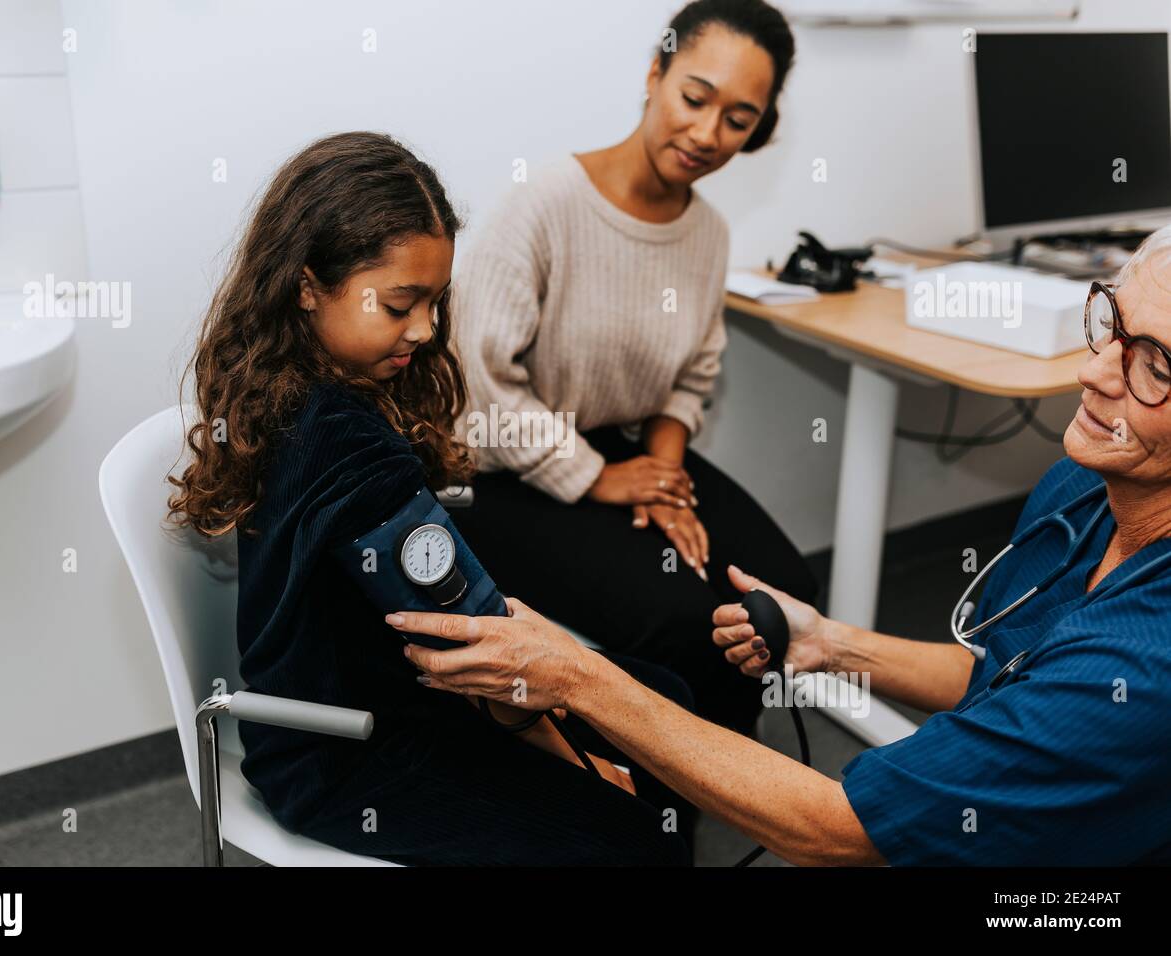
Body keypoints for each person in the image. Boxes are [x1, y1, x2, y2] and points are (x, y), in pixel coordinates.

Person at [395, 225, 1171, 865]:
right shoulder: (1084, 486)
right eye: (1111, 324)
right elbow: (1003, 667)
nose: (1094, 373)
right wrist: (833, 644)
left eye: (1155, 368)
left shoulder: (1141, 666)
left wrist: (574, 677)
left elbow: (837, 828)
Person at [167, 131, 704, 865]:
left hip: (382, 698)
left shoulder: (286, 389)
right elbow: (474, 653)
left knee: (663, 699)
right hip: (346, 757)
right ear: (305, 284)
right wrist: (584, 769)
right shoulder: (345, 445)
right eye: (399, 305)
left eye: (434, 301)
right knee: (635, 832)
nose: (424, 328)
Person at [450, 0, 816, 738]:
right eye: (694, 98)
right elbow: (480, 392)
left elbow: (691, 378)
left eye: (739, 120)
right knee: (690, 625)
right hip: (498, 475)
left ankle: (731, 781)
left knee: (783, 596)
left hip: (626, 453)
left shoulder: (707, 232)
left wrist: (667, 483)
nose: (708, 134)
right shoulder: (544, 206)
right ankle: (660, 811)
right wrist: (598, 478)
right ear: (655, 74)